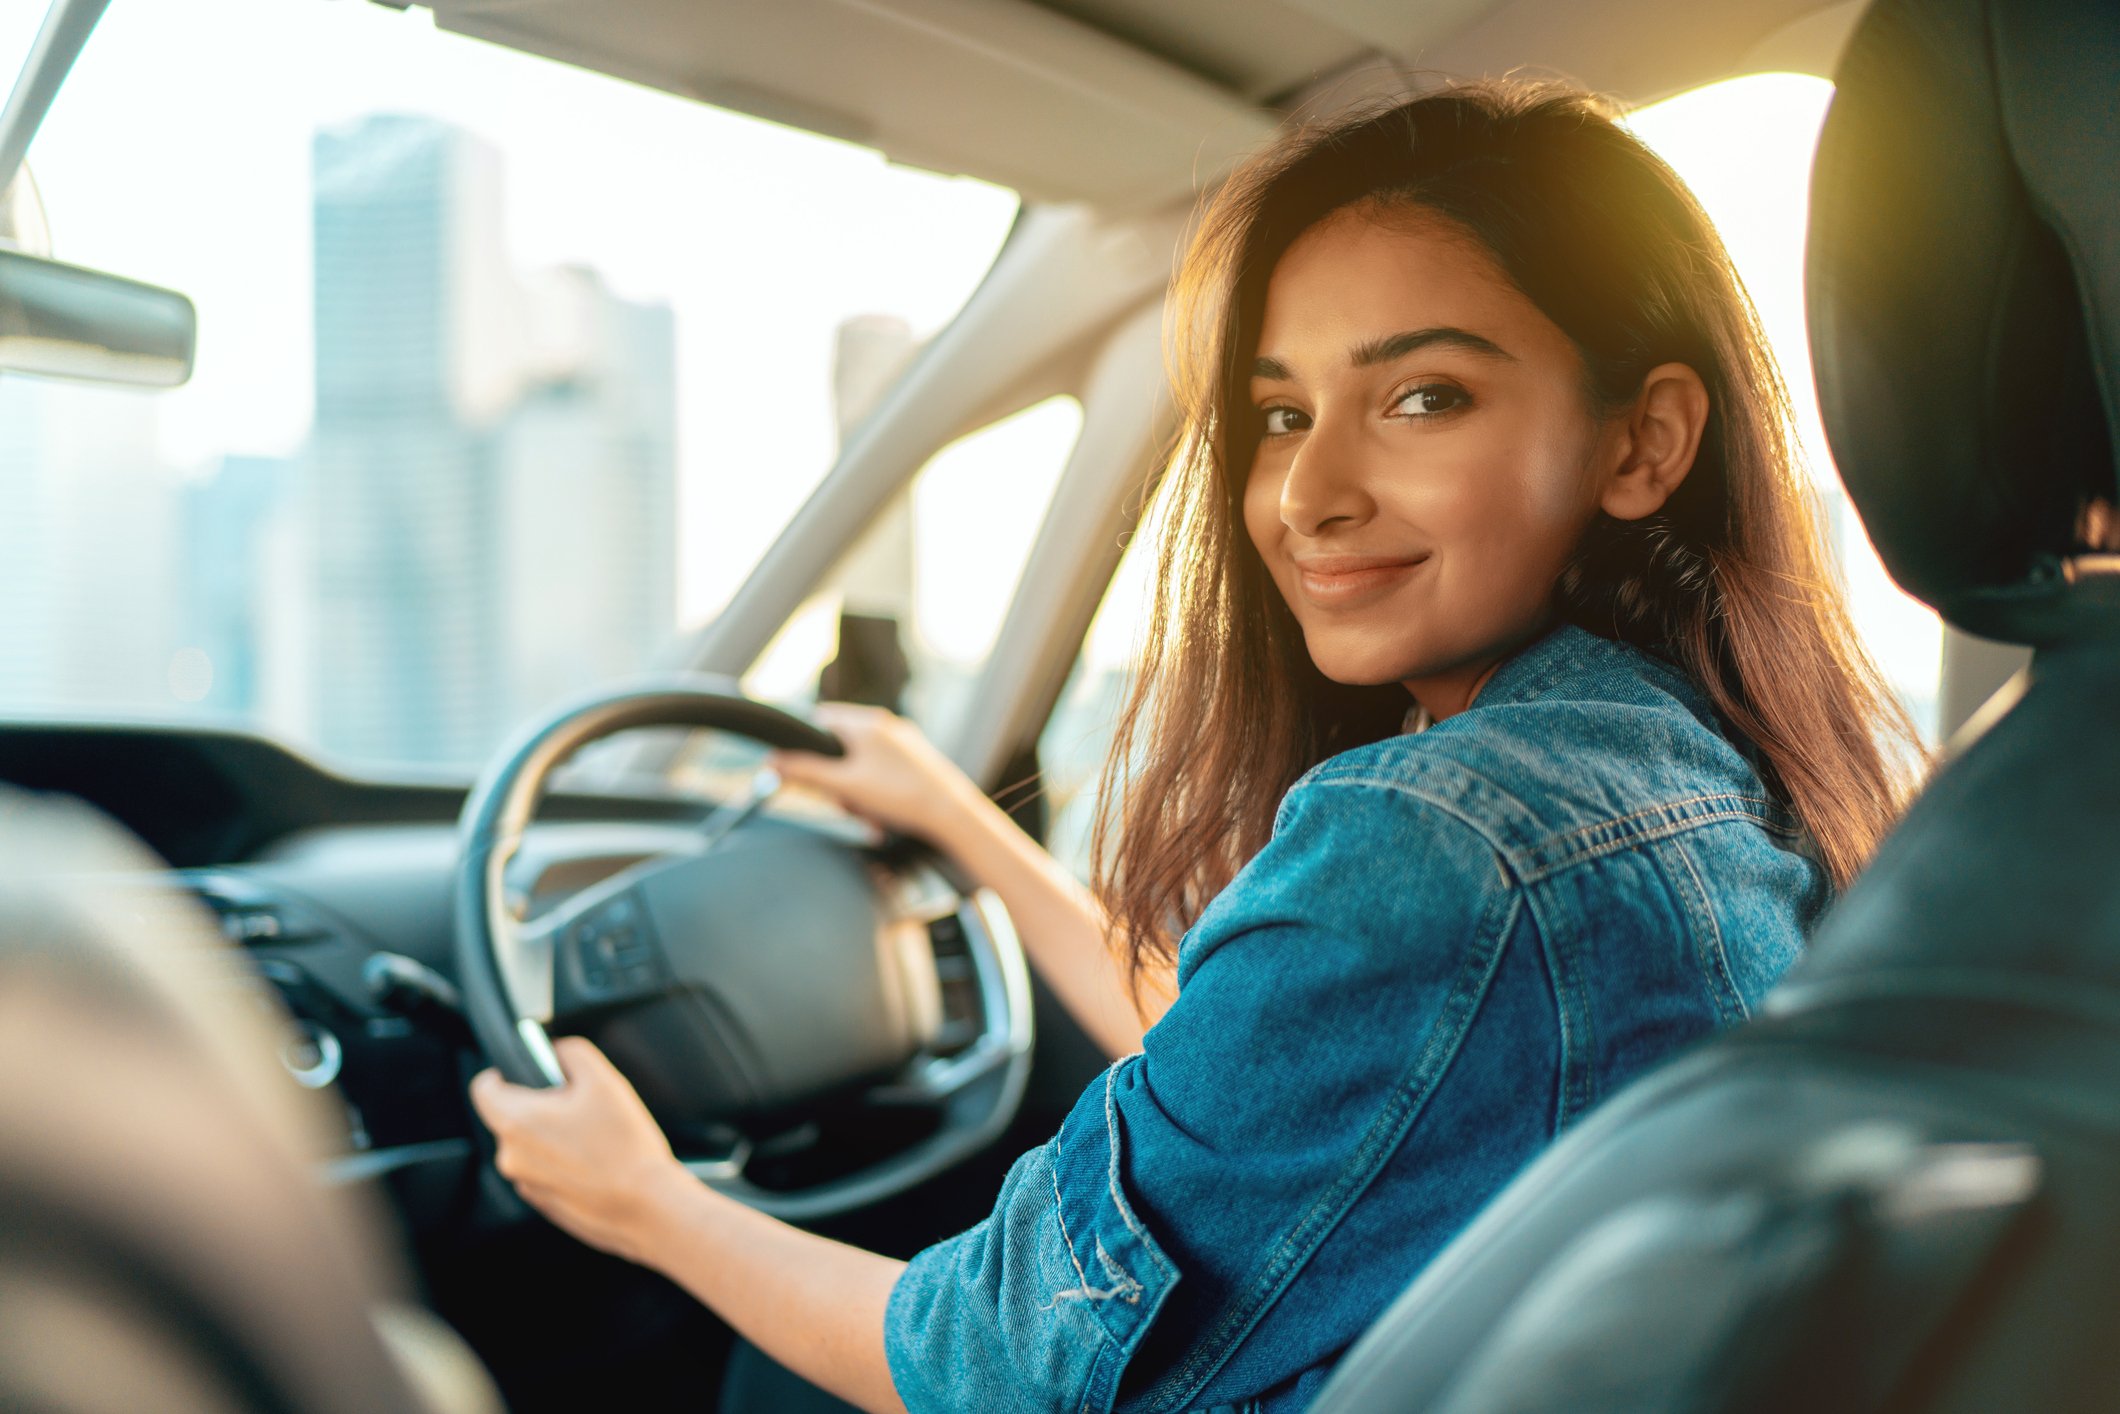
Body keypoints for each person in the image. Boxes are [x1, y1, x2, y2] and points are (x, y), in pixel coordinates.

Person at [469, 81, 1921, 1414]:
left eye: (1424, 396)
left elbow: (990, 1359)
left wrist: (647, 1203)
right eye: (1281, 413)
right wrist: (962, 822)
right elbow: (1281, 1074)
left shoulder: (1442, 836)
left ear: (1643, 442)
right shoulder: (1710, 769)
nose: (1307, 494)